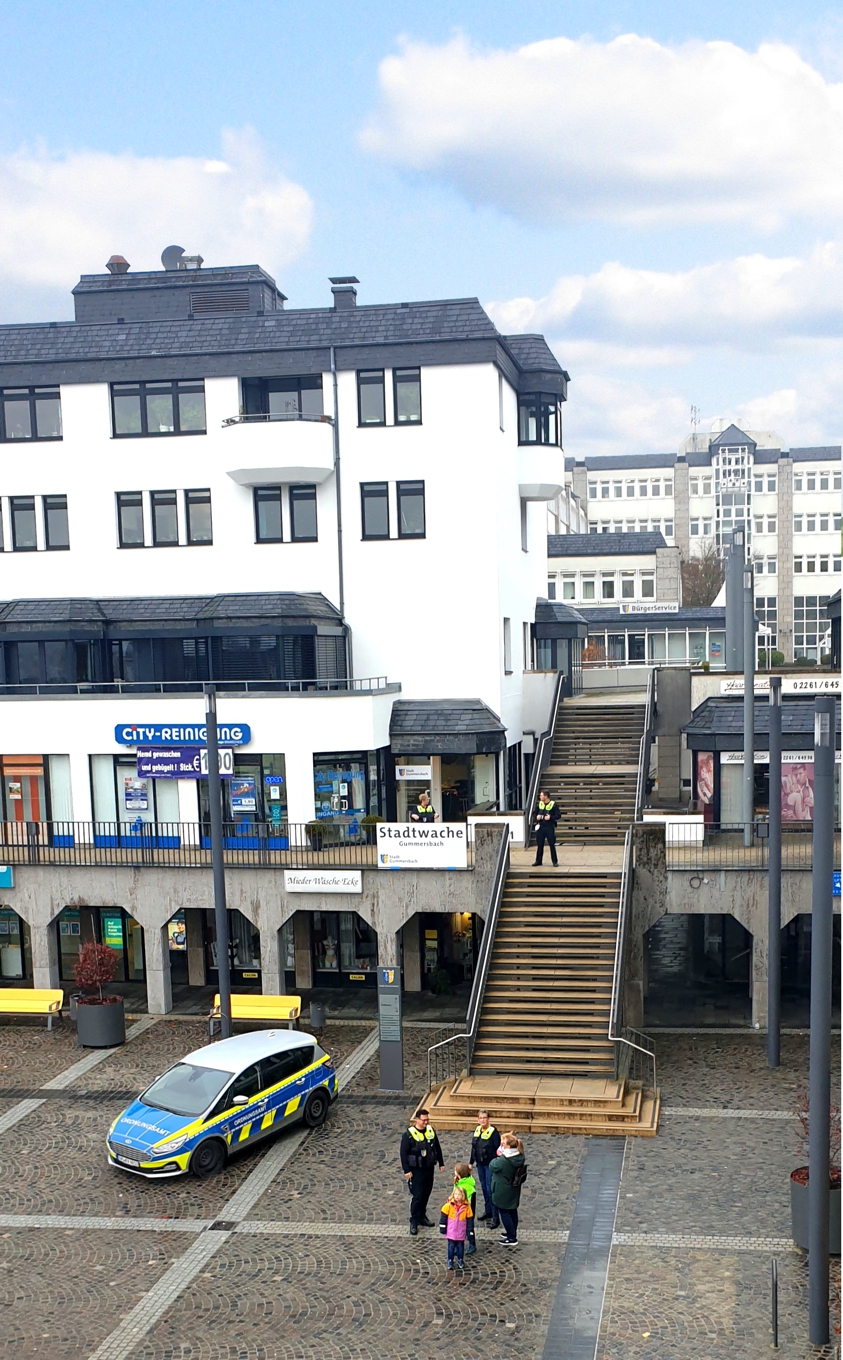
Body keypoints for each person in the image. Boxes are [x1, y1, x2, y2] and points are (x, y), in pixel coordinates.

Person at [400, 1108, 444, 1235]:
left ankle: (422, 1216)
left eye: (427, 1120)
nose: (426, 1122)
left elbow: (437, 1147)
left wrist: (441, 1162)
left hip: (429, 1168)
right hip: (416, 1170)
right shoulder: (408, 1135)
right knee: (418, 1196)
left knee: (426, 1194)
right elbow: (403, 1153)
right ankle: (414, 1220)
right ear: (417, 1120)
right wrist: (406, 1170)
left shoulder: (430, 1131)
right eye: (423, 1120)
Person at [490, 1132, 527, 1247]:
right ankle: (512, 1232)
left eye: (503, 1144)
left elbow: (492, 1165)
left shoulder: (504, 1160)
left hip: (503, 1189)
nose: (501, 1145)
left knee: (504, 1212)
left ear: (508, 1146)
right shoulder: (519, 1155)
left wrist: (499, 1155)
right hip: (513, 1188)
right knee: (512, 1210)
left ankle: (511, 1237)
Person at [469, 1109, 501, 1228]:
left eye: (485, 1118)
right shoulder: (477, 1130)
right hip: (480, 1164)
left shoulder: (493, 1133)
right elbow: (474, 1147)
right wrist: (470, 1162)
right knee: (483, 1187)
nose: (482, 1120)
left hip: (490, 1164)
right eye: (480, 1118)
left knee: (490, 1189)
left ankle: (495, 1216)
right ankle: (488, 1211)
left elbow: (498, 1150)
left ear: (488, 1119)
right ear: (478, 1119)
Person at [439, 1184, 472, 1275]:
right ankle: (450, 1260)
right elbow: (443, 1217)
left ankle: (460, 1259)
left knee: (460, 1247)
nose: (457, 1196)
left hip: (461, 1231)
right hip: (451, 1231)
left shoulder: (467, 1207)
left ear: (463, 1196)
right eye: (456, 1194)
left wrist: (469, 1231)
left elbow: (470, 1220)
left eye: (459, 1195)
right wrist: (443, 1227)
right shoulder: (448, 1205)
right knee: (451, 1246)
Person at [453, 1162, 477, 1254]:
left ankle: (472, 1244)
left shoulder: (466, 1186)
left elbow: (468, 1202)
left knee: (468, 1228)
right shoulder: (460, 1182)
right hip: (459, 1210)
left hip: (466, 1212)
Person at [533, 789, 559, 867]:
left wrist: (550, 817)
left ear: (546, 796)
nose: (540, 796)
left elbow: (558, 815)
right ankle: (538, 861)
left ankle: (554, 861)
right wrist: (536, 817)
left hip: (549, 827)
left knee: (551, 844)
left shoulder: (553, 804)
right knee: (540, 845)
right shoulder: (539, 804)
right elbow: (534, 813)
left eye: (541, 795)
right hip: (540, 826)